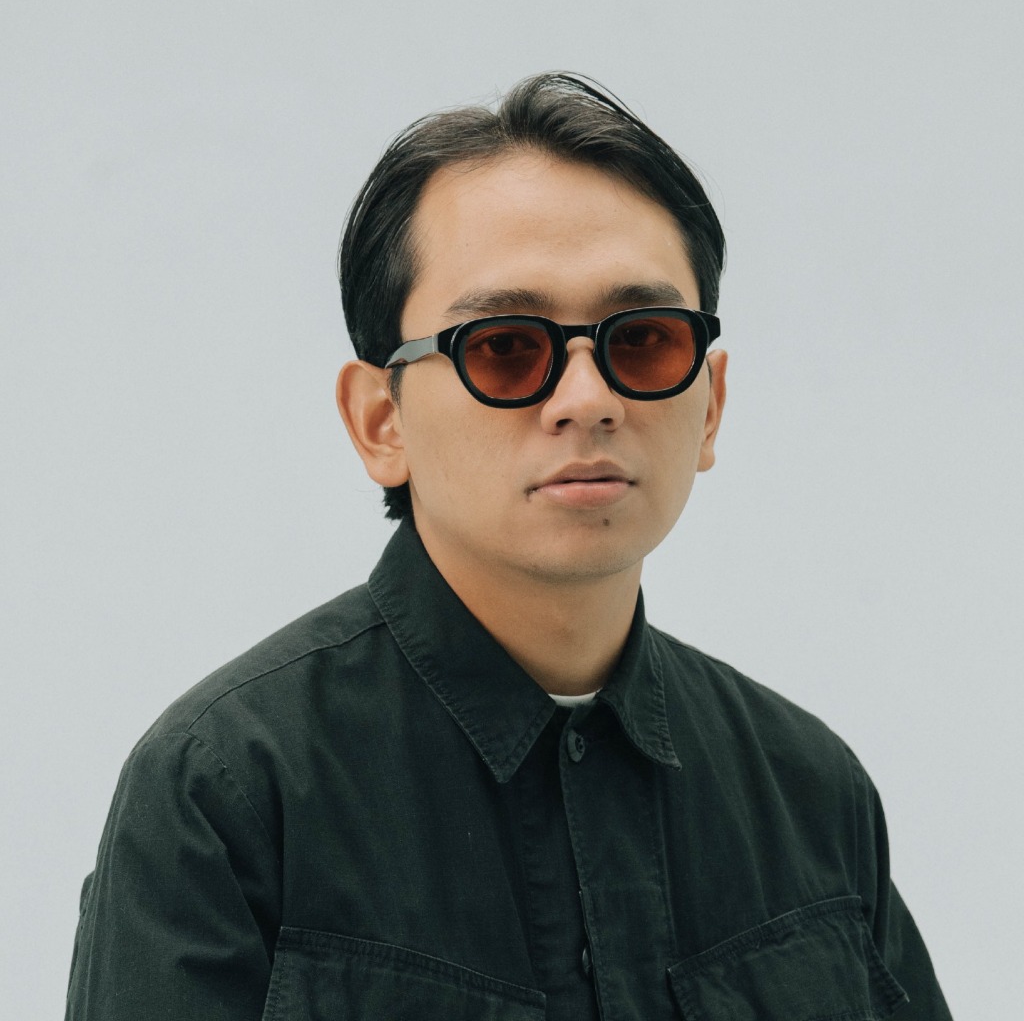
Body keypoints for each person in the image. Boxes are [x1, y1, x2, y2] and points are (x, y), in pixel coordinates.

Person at [66, 73, 952, 1020]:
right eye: (504, 346)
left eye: (644, 340)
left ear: (710, 405)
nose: (587, 399)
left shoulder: (810, 796)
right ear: (380, 421)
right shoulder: (229, 795)